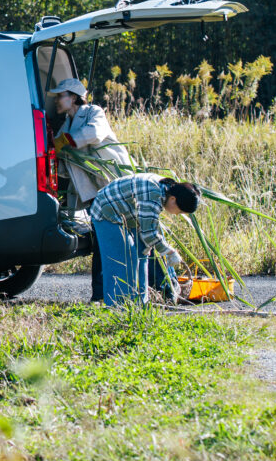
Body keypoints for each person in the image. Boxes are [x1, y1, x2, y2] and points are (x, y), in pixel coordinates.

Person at [87, 173, 199, 306]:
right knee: (124, 260)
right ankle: (118, 306)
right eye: (179, 211)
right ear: (173, 199)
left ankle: (139, 303)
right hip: (107, 212)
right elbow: (149, 234)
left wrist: (153, 248)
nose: (176, 214)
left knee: (143, 254)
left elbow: (147, 233)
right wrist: (169, 252)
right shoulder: (154, 195)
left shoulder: (166, 190)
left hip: (129, 214)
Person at [47, 78, 133, 207]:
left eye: (59, 96)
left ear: (74, 97)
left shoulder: (93, 112)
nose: (56, 100)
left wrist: (67, 141)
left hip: (113, 178)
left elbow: (94, 132)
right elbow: (67, 165)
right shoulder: (66, 126)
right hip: (92, 191)